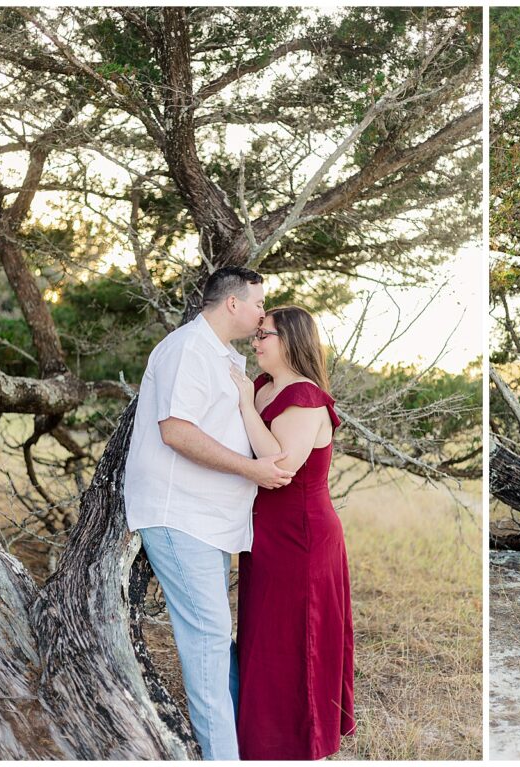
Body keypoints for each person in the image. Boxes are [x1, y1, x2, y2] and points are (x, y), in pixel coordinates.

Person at [124, 266, 295, 760]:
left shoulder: (226, 358)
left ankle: (245, 747)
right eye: (259, 303)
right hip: (181, 515)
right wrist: (252, 469)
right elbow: (175, 431)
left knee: (217, 640)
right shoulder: (187, 350)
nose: (264, 313)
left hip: (211, 521)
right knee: (208, 640)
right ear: (234, 304)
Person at [232, 305, 356, 760]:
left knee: (298, 639)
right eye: (257, 334)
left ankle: (301, 745)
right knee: (265, 638)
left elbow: (281, 468)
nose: (256, 341)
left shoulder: (304, 396)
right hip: (265, 533)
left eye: (265, 335)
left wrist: (244, 405)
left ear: (291, 341)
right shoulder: (265, 386)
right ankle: (261, 742)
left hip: (302, 537)